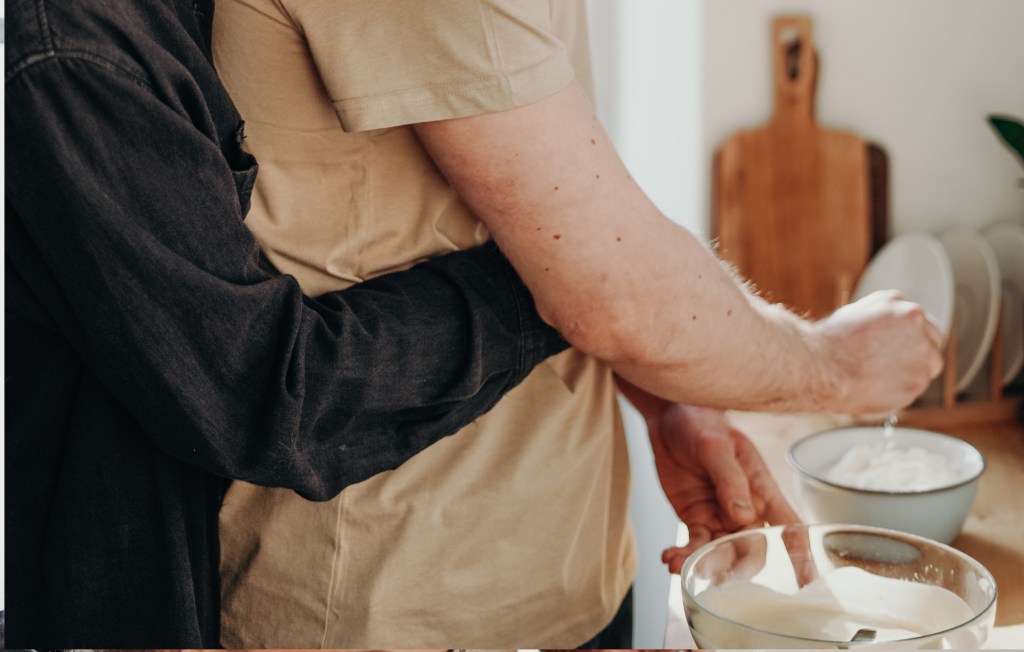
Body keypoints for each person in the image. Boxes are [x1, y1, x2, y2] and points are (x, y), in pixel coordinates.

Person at [211, 0, 944, 648]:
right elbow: (609, 297)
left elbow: (538, 219)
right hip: (401, 595)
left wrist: (667, 387)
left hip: (549, 566)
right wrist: (839, 367)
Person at [3, 0, 578, 647]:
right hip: (94, 601)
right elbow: (265, 392)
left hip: (525, 547)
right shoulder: (67, 53)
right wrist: (564, 279)